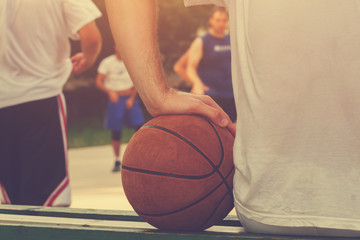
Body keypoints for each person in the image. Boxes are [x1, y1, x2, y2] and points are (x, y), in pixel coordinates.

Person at [106, 0, 360, 237]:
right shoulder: (202, 41)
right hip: (220, 110)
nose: (220, 22)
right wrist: (162, 92)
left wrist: (154, 92)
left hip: (274, 201)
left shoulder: (227, 38)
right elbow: (186, 66)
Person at [0, 0, 102, 206]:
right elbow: (91, 37)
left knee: (11, 202)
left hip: (2, 103)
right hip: (41, 99)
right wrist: (89, 59)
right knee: (47, 203)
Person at [96, 46, 144, 172]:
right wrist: (110, 92)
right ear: (116, 47)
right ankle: (117, 160)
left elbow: (137, 81)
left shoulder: (131, 61)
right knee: (116, 130)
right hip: (116, 99)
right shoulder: (107, 62)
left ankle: (141, 158)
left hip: (130, 98)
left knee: (139, 127)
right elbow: (99, 81)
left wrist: (132, 98)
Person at [186, 7, 236, 123]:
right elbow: (190, 67)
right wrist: (197, 84)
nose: (221, 23)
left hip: (233, 95)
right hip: (213, 96)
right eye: (218, 20)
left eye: (224, 20)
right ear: (211, 20)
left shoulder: (231, 40)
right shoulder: (202, 41)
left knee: (233, 134)